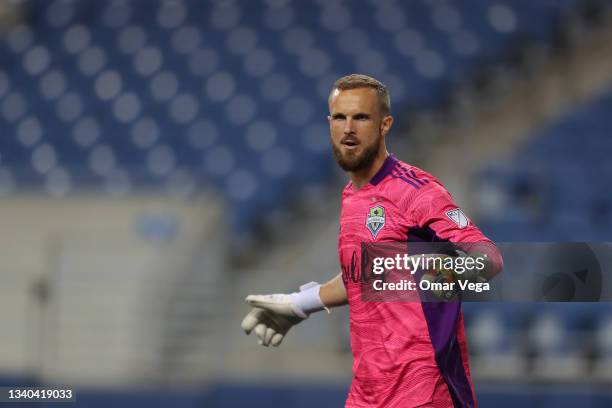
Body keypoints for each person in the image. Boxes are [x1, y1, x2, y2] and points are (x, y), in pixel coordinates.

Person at [241, 74, 503, 408]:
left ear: (384, 125)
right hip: (367, 394)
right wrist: (300, 304)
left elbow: (488, 258)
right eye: (340, 117)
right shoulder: (352, 196)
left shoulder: (417, 191)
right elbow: (365, 275)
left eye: (361, 117)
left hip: (423, 392)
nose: (348, 128)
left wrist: (428, 277)